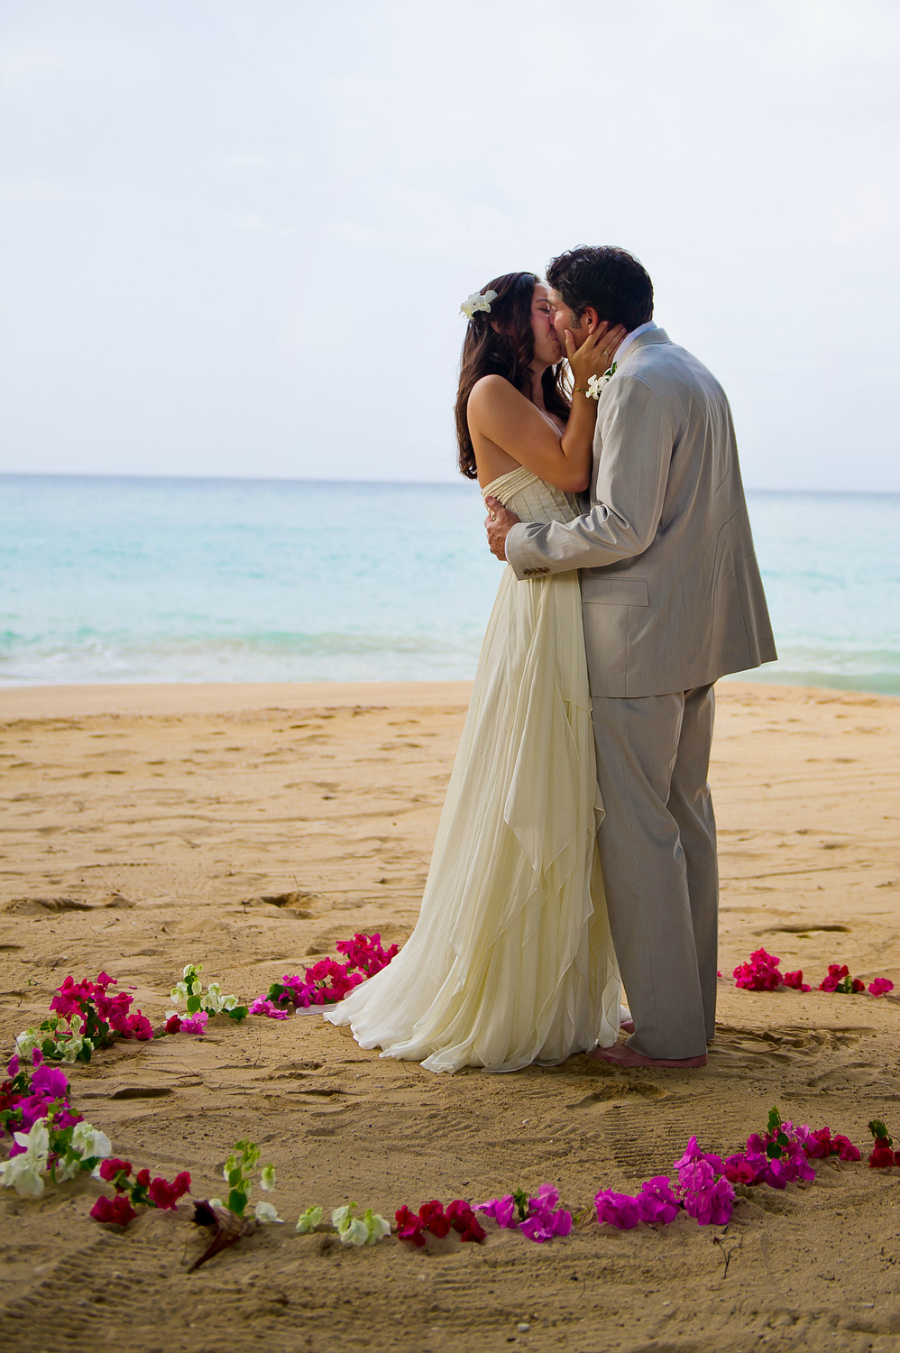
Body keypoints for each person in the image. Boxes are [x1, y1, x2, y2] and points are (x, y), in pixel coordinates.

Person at [486, 246, 777, 1069]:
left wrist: (523, 542)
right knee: (686, 821)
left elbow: (623, 525)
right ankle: (691, 1018)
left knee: (643, 835)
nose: (561, 331)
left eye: (564, 316)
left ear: (591, 320)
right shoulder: (691, 371)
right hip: (696, 637)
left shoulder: (641, 385)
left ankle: (667, 1036)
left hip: (640, 644)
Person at [325, 271, 624, 1072]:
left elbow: (587, 484)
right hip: (539, 609)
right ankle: (503, 994)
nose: (556, 317)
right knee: (534, 780)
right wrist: (592, 387)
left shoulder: (552, 394)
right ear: (505, 323)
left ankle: (555, 989)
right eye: (541, 307)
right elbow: (565, 474)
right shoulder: (492, 391)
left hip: (567, 594)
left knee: (571, 788)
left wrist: (586, 392)